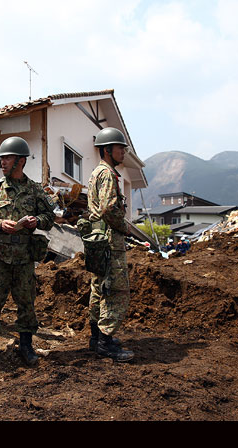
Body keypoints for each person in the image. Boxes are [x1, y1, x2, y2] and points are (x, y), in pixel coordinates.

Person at [0, 136, 56, 366]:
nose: (2, 163)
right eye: (1, 159)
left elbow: (50, 218)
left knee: (26, 302)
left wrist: (36, 221)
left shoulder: (35, 190)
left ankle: (26, 344)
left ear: (20, 161)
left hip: (24, 258)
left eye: (7, 158)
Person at [86, 127, 135, 362]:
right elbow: (107, 208)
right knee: (116, 291)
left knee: (99, 288)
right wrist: (124, 227)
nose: (123, 152)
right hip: (109, 240)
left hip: (98, 239)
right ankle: (105, 342)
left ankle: (96, 337)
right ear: (107, 150)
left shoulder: (97, 172)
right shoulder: (107, 174)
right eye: (120, 148)